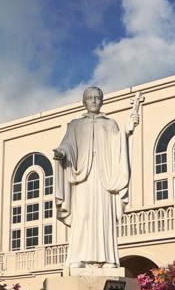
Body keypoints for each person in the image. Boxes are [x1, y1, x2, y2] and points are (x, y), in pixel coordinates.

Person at [53, 87, 139, 269]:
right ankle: (78, 258)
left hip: (103, 177)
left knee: (103, 217)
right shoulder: (75, 125)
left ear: (102, 101)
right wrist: (62, 153)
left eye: (97, 98)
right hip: (82, 178)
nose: (93, 101)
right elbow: (67, 145)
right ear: (84, 102)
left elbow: (117, 145)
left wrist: (127, 129)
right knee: (82, 215)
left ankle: (107, 259)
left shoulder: (110, 124)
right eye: (90, 98)